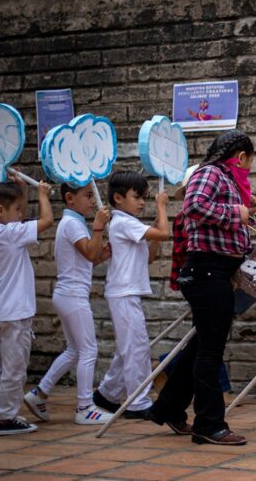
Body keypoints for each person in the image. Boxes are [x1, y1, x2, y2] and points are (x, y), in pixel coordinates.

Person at [149, 130, 256, 446]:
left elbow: (221, 221)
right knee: (211, 351)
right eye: (249, 161)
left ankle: (167, 408)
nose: (248, 167)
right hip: (207, 271)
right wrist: (235, 212)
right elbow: (193, 206)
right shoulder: (210, 173)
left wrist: (245, 213)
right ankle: (209, 425)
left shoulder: (227, 181)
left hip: (217, 271)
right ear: (240, 157)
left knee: (200, 346)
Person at [23, 183, 114, 425]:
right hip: (72, 295)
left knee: (74, 350)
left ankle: (39, 393)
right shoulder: (73, 224)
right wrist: (98, 226)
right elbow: (88, 251)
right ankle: (84, 407)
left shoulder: (72, 223)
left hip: (68, 294)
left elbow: (87, 257)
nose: (92, 201)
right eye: (87, 196)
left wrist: (101, 254)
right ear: (70, 198)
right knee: (88, 350)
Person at [0, 174, 54, 435]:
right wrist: (42, 196)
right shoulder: (11, 234)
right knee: (14, 366)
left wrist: (21, 188)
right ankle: (7, 417)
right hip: (14, 314)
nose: (22, 214)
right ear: (1, 210)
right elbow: (47, 221)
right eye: (18, 209)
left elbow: (17, 213)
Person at [92, 171, 170, 418]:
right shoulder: (123, 222)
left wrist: (155, 231)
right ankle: (138, 403)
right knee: (136, 348)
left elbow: (149, 257)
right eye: (137, 197)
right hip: (122, 294)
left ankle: (107, 395)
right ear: (118, 198)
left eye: (145, 198)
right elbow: (166, 233)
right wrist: (161, 208)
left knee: (128, 348)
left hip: (127, 293)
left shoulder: (130, 224)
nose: (142, 202)